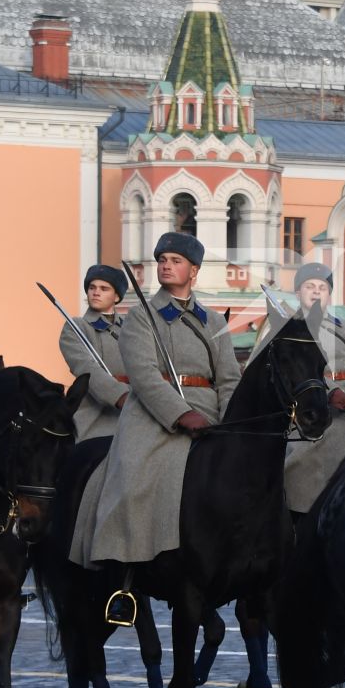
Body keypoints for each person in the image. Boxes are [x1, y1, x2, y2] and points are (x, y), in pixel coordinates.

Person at [75, 232, 239, 580]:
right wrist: (180, 414)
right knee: (133, 478)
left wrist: (229, 420)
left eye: (175, 261)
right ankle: (125, 575)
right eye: (162, 260)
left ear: (193, 270)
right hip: (155, 413)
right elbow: (144, 375)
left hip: (210, 413)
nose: (166, 265)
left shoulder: (215, 321)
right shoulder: (140, 317)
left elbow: (228, 379)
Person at [282, 262, 345, 515]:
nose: (316, 292)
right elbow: (290, 372)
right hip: (314, 403)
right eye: (309, 287)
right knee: (310, 448)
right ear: (297, 293)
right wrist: (329, 391)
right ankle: (304, 511)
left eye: (322, 287)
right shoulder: (287, 329)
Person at [61, 264, 129, 442]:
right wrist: (120, 395)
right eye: (92, 288)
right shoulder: (77, 327)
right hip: (96, 416)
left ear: (116, 296)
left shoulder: (131, 328)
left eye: (104, 288)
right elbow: (85, 367)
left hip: (135, 409)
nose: (96, 292)